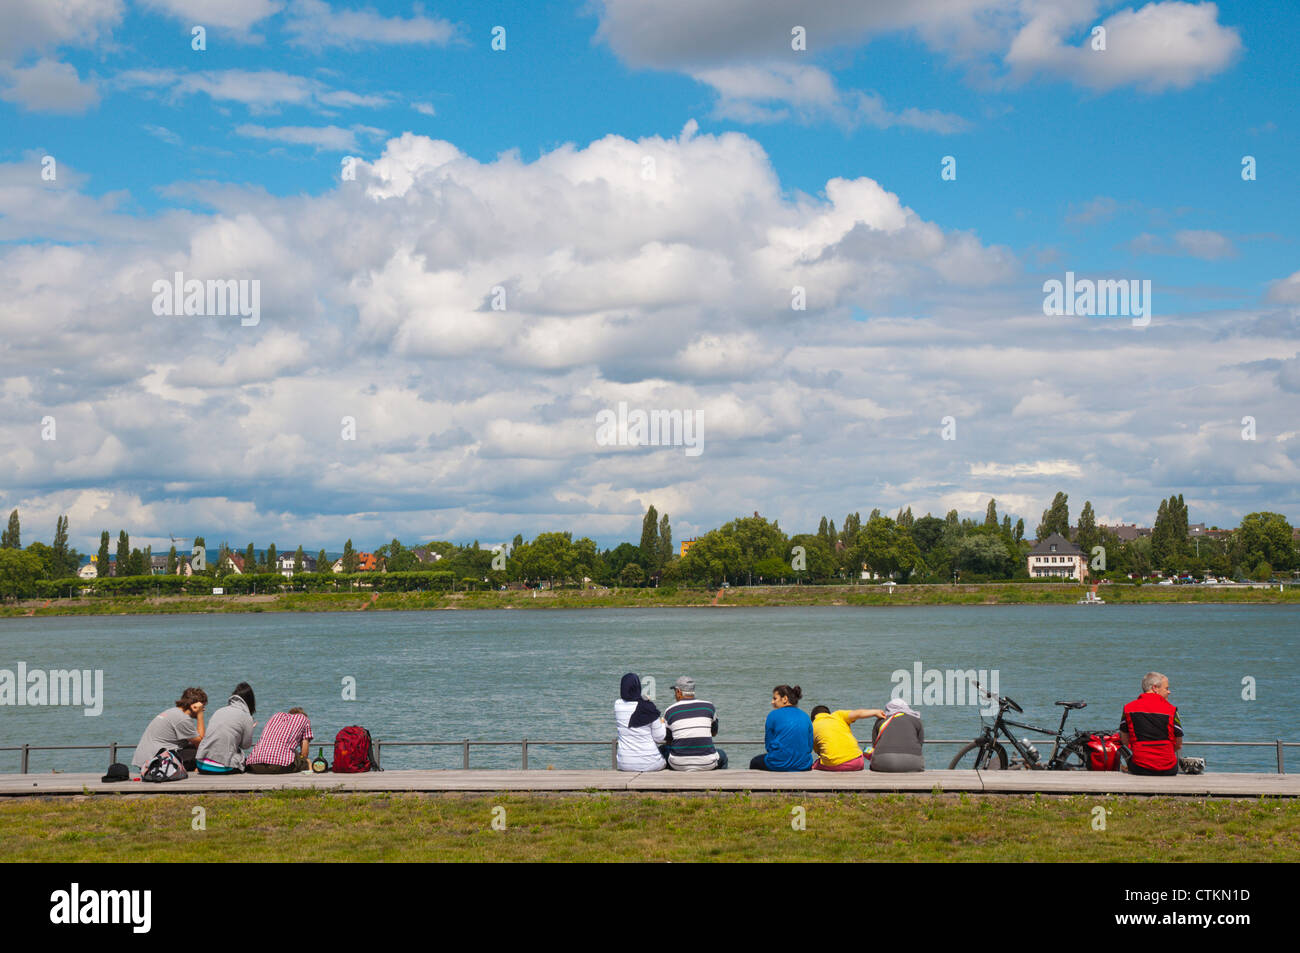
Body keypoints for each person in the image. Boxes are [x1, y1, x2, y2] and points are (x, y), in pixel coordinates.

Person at [1118, 671, 1183, 776]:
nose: (1169, 692)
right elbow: (1179, 744)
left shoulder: (1128, 708)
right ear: (1155, 688)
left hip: (1140, 767)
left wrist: (1139, 750)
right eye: (1166, 688)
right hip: (1168, 768)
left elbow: (1124, 739)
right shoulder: (1172, 710)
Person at [131, 687, 207, 775]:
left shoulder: (173, 712)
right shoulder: (182, 718)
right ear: (194, 706)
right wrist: (200, 714)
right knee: (204, 752)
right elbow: (201, 743)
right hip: (156, 761)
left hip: (146, 758)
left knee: (193, 749)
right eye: (202, 707)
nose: (204, 709)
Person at [660, 676, 727, 770]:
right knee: (722, 755)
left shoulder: (670, 711)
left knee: (662, 750)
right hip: (707, 763)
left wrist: (662, 725)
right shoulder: (709, 706)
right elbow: (714, 733)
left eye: (675, 691)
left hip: (678, 764)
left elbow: (668, 740)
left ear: (678, 692)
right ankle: (720, 783)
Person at [195, 682, 257, 774]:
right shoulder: (246, 717)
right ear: (250, 701)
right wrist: (249, 729)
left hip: (201, 764)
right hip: (222, 767)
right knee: (245, 762)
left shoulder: (219, 711)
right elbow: (246, 745)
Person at [750, 685, 814, 771]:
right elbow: (809, 746)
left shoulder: (773, 715)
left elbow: (769, 745)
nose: (772, 702)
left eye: (775, 698)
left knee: (754, 762)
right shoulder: (805, 716)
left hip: (779, 764)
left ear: (785, 699)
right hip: (803, 765)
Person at [615, 672, 666, 771]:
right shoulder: (648, 708)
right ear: (638, 686)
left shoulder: (617, 705)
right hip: (650, 763)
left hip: (624, 764)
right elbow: (659, 737)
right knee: (666, 753)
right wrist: (662, 722)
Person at [810, 705, 886, 771]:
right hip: (857, 762)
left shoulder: (813, 726)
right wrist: (875, 712)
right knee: (864, 750)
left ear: (813, 718)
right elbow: (859, 713)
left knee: (815, 765)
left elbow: (818, 751)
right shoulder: (838, 715)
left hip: (834, 765)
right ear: (829, 714)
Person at [244, 707, 314, 774]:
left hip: (254, 765)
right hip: (277, 767)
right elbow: (304, 754)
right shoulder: (304, 719)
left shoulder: (276, 717)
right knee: (306, 762)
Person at [868, 698, 925, 772]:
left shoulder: (881, 720)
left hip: (882, 763)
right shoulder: (916, 720)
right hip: (914, 763)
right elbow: (920, 743)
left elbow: (874, 744)